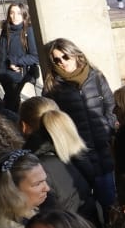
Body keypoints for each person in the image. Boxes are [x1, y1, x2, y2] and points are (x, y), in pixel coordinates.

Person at [44, 38, 117, 207]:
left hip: (104, 146)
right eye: (56, 59)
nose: (62, 62)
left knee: (110, 198)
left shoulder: (96, 76)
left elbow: (110, 105)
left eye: (65, 57)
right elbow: (52, 119)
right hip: (77, 152)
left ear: (75, 55)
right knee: (88, 200)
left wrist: (107, 127)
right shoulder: (52, 86)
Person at [0, 1, 40, 112]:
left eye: (18, 13)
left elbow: (35, 57)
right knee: (10, 102)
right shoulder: (6, 29)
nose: (14, 16)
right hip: (2, 73)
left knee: (10, 103)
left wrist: (15, 61)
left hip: (17, 74)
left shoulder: (29, 30)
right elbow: (1, 53)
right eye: (12, 13)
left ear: (24, 14)